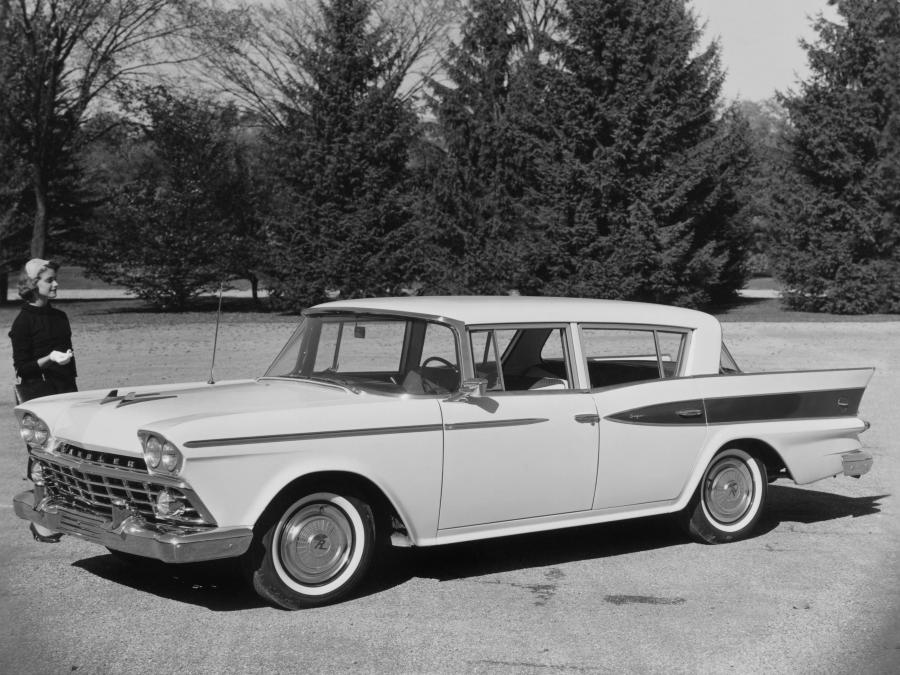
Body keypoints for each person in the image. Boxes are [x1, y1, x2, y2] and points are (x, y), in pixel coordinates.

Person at [9, 258, 78, 543]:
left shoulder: (60, 316)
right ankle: (41, 520)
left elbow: (69, 357)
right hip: (39, 394)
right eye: (49, 279)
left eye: (55, 278)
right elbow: (22, 368)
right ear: (32, 284)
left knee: (69, 452)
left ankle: (69, 511)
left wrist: (67, 366)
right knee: (41, 456)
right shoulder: (23, 321)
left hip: (66, 391)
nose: (55, 283)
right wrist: (49, 358)